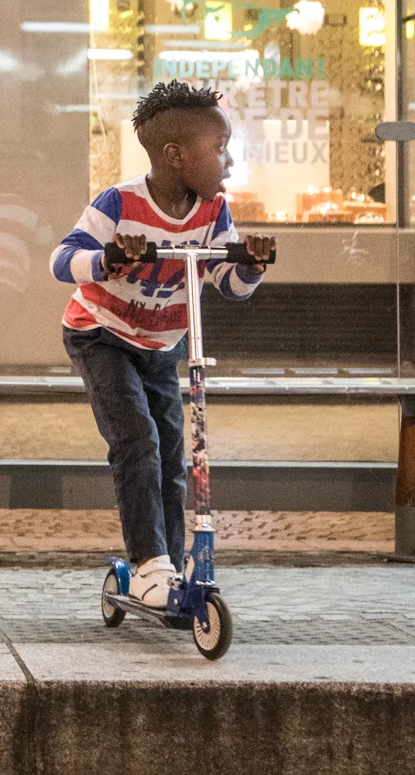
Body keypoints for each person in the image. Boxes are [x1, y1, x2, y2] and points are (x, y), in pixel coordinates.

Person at [49, 80, 274, 610]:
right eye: (219, 150)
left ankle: (171, 569)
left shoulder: (213, 213)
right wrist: (107, 259)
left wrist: (250, 265)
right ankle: (149, 563)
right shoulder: (120, 203)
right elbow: (61, 259)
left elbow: (231, 286)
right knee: (138, 440)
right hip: (100, 334)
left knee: (174, 454)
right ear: (174, 156)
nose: (230, 162)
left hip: (161, 345)